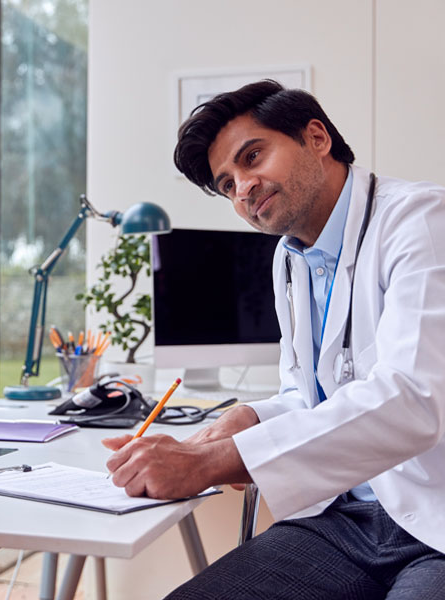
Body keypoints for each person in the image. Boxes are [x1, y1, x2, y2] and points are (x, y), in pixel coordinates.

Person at [103, 80, 445, 599]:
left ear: (316, 138)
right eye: (226, 184)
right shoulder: (290, 259)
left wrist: (207, 463)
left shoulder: (420, 221)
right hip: (343, 520)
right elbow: (308, 397)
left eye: (252, 156)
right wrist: (247, 418)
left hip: (435, 521)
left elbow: (411, 403)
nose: (242, 188)